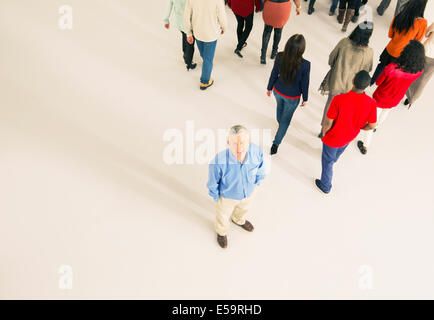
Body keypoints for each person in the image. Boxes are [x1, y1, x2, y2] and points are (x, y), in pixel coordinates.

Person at [315, 71, 377, 194]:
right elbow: (372, 125)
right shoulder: (371, 103)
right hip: (350, 136)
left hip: (333, 137)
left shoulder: (339, 99)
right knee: (338, 152)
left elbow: (328, 122)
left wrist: (324, 133)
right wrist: (360, 128)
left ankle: (325, 186)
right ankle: (335, 159)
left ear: (353, 81)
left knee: (327, 162)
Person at [358, 40, 425, 154]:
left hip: (381, 98)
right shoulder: (418, 71)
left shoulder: (392, 68)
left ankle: (365, 145)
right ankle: (377, 127)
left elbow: (378, 82)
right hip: (396, 98)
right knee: (385, 113)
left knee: (371, 120)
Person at [207, 125, 266, 249]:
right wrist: (217, 198)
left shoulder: (256, 151)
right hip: (227, 197)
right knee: (222, 216)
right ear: (228, 143)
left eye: (243, 143)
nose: (239, 148)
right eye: (234, 143)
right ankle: (221, 232)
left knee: (243, 208)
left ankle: (238, 219)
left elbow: (261, 167)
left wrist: (257, 184)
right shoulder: (218, 161)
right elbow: (212, 183)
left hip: (249, 192)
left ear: (249, 142)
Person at [318, 22, 374, 138]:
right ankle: (335, 130)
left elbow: (331, 59)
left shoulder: (344, 42)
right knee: (344, 110)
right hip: (352, 86)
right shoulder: (369, 52)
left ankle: (323, 130)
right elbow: (367, 70)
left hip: (336, 80)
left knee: (330, 104)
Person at [266, 34, 310, 155]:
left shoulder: (280, 56)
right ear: (302, 49)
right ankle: (276, 143)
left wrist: (269, 87)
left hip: (278, 91)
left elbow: (274, 73)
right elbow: (305, 83)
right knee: (285, 120)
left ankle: (281, 125)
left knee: (279, 110)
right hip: (292, 97)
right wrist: (305, 98)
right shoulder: (305, 65)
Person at [371, 0, 427, 84]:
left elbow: (390, 34)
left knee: (381, 66)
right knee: (391, 76)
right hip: (402, 55)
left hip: (389, 49)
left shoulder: (400, 15)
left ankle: (371, 82)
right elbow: (417, 42)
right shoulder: (422, 23)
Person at [184, 0, 228, 90]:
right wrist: (224, 27)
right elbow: (222, 15)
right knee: (208, 59)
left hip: (198, 32)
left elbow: (186, 16)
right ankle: (205, 81)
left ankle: (207, 65)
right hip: (211, 34)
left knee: (205, 56)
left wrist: (188, 33)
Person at [260, 0, 301, 65]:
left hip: (270, 7)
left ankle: (263, 56)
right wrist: (298, 7)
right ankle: (274, 52)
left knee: (267, 31)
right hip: (283, 9)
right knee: (278, 32)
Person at [405, 21, 434, 107]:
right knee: (423, 80)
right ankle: (411, 99)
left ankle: (403, 90)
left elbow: (427, 34)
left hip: (425, 52)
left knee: (412, 71)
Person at [164, 0, 197, 71]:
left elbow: (169, 6)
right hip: (189, 23)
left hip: (179, 23)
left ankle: (185, 54)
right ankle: (189, 62)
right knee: (190, 43)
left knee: (184, 37)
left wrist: (166, 20)